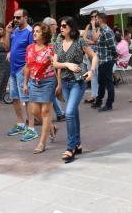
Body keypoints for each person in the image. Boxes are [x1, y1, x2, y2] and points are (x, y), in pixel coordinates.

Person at [52, 16, 97, 163]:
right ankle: (77, 144)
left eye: (64, 26)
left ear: (71, 28)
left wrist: (91, 71)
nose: (61, 28)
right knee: (74, 113)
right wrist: (66, 66)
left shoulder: (79, 42)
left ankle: (70, 148)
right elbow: (55, 63)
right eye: (60, 25)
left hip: (78, 81)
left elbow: (94, 56)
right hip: (65, 82)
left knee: (69, 113)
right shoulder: (58, 41)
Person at [22, 23, 58, 152]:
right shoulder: (30, 48)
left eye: (37, 31)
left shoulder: (51, 48)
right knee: (34, 111)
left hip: (48, 81)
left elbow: (56, 67)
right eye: (34, 31)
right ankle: (51, 127)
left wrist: (58, 85)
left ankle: (42, 143)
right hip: (33, 82)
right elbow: (27, 66)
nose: (34, 33)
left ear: (44, 33)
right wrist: (25, 83)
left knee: (45, 112)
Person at [5, 8, 34, 137]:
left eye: (18, 17)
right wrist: (7, 32)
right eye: (14, 17)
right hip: (12, 69)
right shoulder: (15, 31)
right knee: (15, 98)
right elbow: (7, 47)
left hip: (23, 70)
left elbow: (33, 51)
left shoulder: (30, 32)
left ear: (25, 17)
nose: (15, 20)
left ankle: (31, 128)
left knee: (26, 99)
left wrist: (26, 67)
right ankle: (21, 124)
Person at [93, 13, 118, 112]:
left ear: (100, 20)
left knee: (108, 82)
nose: (95, 21)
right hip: (102, 60)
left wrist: (114, 57)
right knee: (101, 81)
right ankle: (99, 101)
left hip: (107, 60)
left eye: (96, 19)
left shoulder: (107, 31)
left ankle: (109, 104)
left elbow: (113, 46)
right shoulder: (102, 30)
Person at [42, 17, 65, 122]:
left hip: (52, 68)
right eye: (55, 24)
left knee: (52, 92)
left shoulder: (54, 37)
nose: (57, 27)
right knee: (51, 92)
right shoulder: (46, 38)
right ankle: (59, 113)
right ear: (50, 26)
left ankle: (59, 113)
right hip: (47, 69)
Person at [83, 11, 100, 104]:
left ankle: (96, 95)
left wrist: (93, 27)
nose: (93, 18)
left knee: (95, 74)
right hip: (88, 53)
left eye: (95, 16)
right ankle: (94, 95)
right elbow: (84, 38)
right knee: (91, 74)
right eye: (91, 16)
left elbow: (96, 39)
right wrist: (92, 42)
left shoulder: (99, 27)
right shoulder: (87, 26)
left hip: (96, 54)